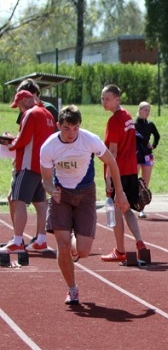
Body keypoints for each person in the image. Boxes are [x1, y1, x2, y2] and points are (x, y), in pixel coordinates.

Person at [40, 105, 130, 305]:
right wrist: (51, 190)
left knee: (84, 251)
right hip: (60, 195)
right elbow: (45, 179)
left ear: (80, 126)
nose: (71, 133)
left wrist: (120, 193)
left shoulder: (89, 140)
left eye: (75, 128)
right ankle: (72, 289)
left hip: (85, 194)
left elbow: (112, 162)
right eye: (66, 129)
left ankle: (74, 241)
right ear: (58, 126)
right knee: (61, 246)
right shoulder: (49, 147)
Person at [0, 90, 55, 255]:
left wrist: (9, 143)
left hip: (27, 165)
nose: (19, 109)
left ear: (24, 100)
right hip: (43, 165)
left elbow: (23, 139)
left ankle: (17, 240)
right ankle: (41, 239)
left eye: (18, 106)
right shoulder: (48, 114)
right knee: (40, 203)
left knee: (17, 200)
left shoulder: (30, 114)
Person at [99, 84, 147, 262]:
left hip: (118, 171)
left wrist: (108, 176)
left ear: (117, 99)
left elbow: (113, 151)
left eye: (108, 99)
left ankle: (119, 250)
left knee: (117, 209)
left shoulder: (114, 120)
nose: (104, 102)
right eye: (102, 98)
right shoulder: (127, 116)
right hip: (131, 169)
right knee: (127, 209)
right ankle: (140, 242)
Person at [134, 101, 160, 218]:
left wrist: (153, 145)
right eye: (145, 110)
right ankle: (130, 203)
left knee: (145, 183)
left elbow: (157, 136)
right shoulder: (133, 124)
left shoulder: (150, 124)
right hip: (137, 154)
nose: (147, 112)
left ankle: (141, 208)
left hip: (147, 155)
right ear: (139, 110)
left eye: (149, 110)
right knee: (133, 180)